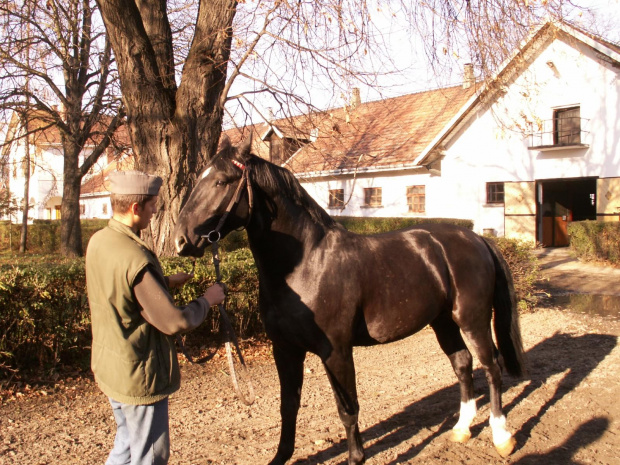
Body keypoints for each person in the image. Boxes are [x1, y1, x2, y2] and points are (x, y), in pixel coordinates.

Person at [85, 170, 226, 465]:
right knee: (149, 455)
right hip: (139, 374)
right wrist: (208, 300)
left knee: (125, 442)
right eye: (152, 207)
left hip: (111, 367)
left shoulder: (101, 240)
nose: (154, 213)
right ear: (136, 208)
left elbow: (120, 289)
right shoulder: (135, 257)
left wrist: (163, 282)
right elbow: (175, 322)